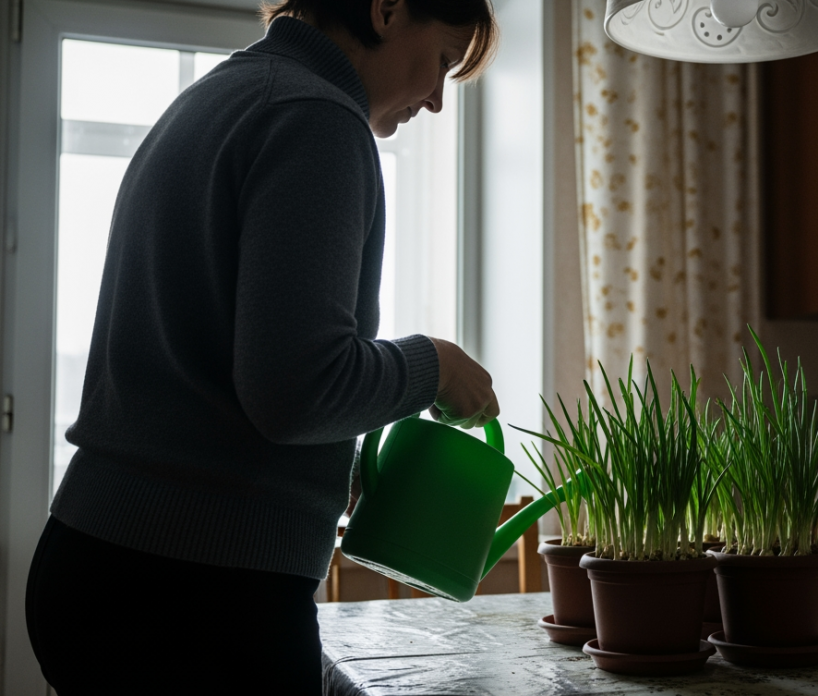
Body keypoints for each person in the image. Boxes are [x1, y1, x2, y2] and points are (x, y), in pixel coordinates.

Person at [25, 0, 498, 692]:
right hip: (193, 589)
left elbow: (219, 381)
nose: (435, 101)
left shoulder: (222, 96)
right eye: (442, 64)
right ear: (389, 9)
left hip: (107, 562)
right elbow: (297, 390)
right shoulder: (318, 119)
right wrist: (433, 364)